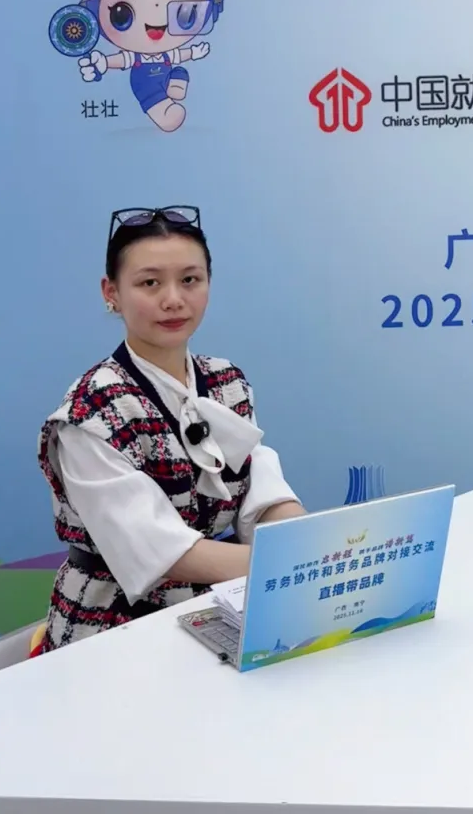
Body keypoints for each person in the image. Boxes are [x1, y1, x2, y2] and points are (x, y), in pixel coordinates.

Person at [36, 206, 305, 652]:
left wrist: (304, 542)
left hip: (221, 603)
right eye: (150, 283)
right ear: (111, 292)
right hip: (113, 623)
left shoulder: (226, 381)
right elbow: (160, 552)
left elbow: (261, 490)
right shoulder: (91, 411)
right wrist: (289, 564)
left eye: (190, 279)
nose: (174, 299)